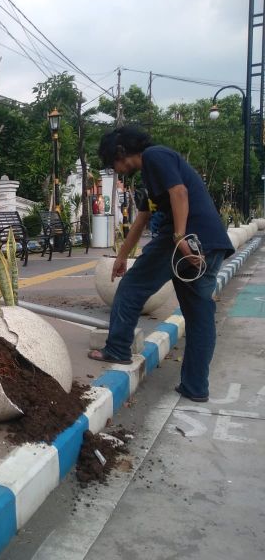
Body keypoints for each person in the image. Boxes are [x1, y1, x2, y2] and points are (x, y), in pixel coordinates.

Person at [88, 126, 234, 403]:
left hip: (186, 239)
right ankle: (195, 387)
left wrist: (179, 237)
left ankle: (117, 348)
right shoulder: (151, 173)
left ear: (121, 152)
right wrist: (122, 256)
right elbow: (142, 218)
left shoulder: (155, 156)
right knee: (199, 317)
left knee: (132, 287)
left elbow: (180, 193)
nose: (116, 170)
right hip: (209, 243)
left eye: (113, 163)